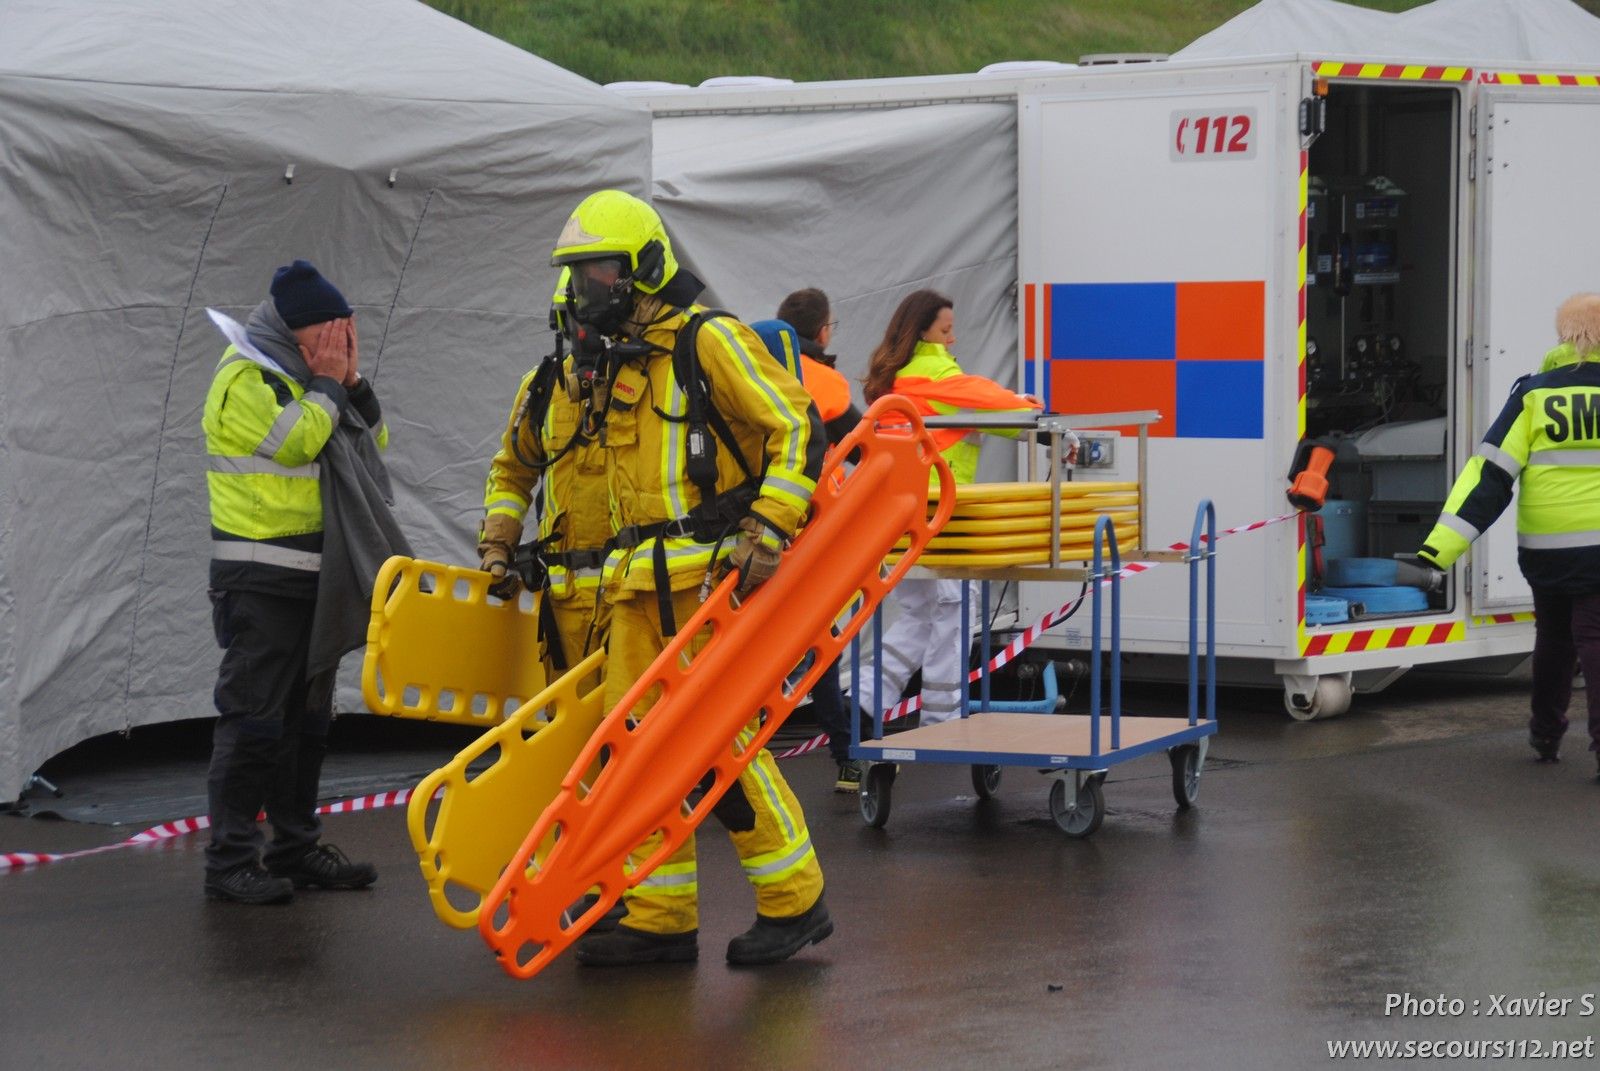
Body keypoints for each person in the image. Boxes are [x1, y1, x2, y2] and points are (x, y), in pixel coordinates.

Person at [550, 190, 833, 967]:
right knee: (637, 753)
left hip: (713, 581)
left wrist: (770, 526)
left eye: (597, 270)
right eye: (576, 274)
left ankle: (796, 899)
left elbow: (796, 422)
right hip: (643, 589)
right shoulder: (619, 361)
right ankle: (660, 911)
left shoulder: (711, 340)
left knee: (720, 745)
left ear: (643, 266)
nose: (584, 289)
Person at [201, 261, 408, 904]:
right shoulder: (243, 378)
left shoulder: (315, 383)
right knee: (254, 721)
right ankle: (230, 862)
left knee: (307, 722)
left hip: (318, 578)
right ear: (297, 333)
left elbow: (372, 445)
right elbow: (296, 441)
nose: (343, 341)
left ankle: (294, 847)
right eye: (334, 331)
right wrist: (325, 383)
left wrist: (352, 384)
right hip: (260, 579)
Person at [1417, 293, 1600, 774]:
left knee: (1555, 640)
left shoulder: (1534, 394)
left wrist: (1439, 549)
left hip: (1548, 549)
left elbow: (1490, 475)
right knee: (1595, 639)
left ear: (1564, 335)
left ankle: (1545, 735)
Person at [851, 289, 1039, 730]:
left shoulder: (893, 383)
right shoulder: (939, 376)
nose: (953, 339)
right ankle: (942, 719)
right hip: (940, 518)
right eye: (946, 330)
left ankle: (861, 699)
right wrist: (1043, 418)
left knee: (917, 614)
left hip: (896, 518)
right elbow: (1001, 403)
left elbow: (977, 416)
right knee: (955, 614)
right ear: (923, 333)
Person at [478, 270, 611, 678]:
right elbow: (513, 473)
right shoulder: (541, 389)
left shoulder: (647, 383)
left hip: (630, 595)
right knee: (569, 728)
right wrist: (497, 546)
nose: (585, 333)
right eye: (575, 320)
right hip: (564, 597)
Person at [771, 291, 869, 791]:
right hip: (810, 531)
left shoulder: (750, 366)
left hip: (751, 530)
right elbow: (865, 451)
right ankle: (848, 758)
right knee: (820, 646)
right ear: (823, 332)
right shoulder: (824, 382)